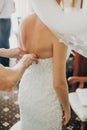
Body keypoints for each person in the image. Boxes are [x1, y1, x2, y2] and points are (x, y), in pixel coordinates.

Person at [10, 0, 87, 130]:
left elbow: (22, 57)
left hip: (26, 89)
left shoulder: (25, 21)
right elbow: (58, 83)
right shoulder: (58, 30)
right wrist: (67, 108)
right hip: (46, 97)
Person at [0, 0, 15, 66]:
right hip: (8, 20)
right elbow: (14, 9)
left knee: (2, 44)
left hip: (2, 20)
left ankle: (3, 64)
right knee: (5, 42)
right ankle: (5, 63)